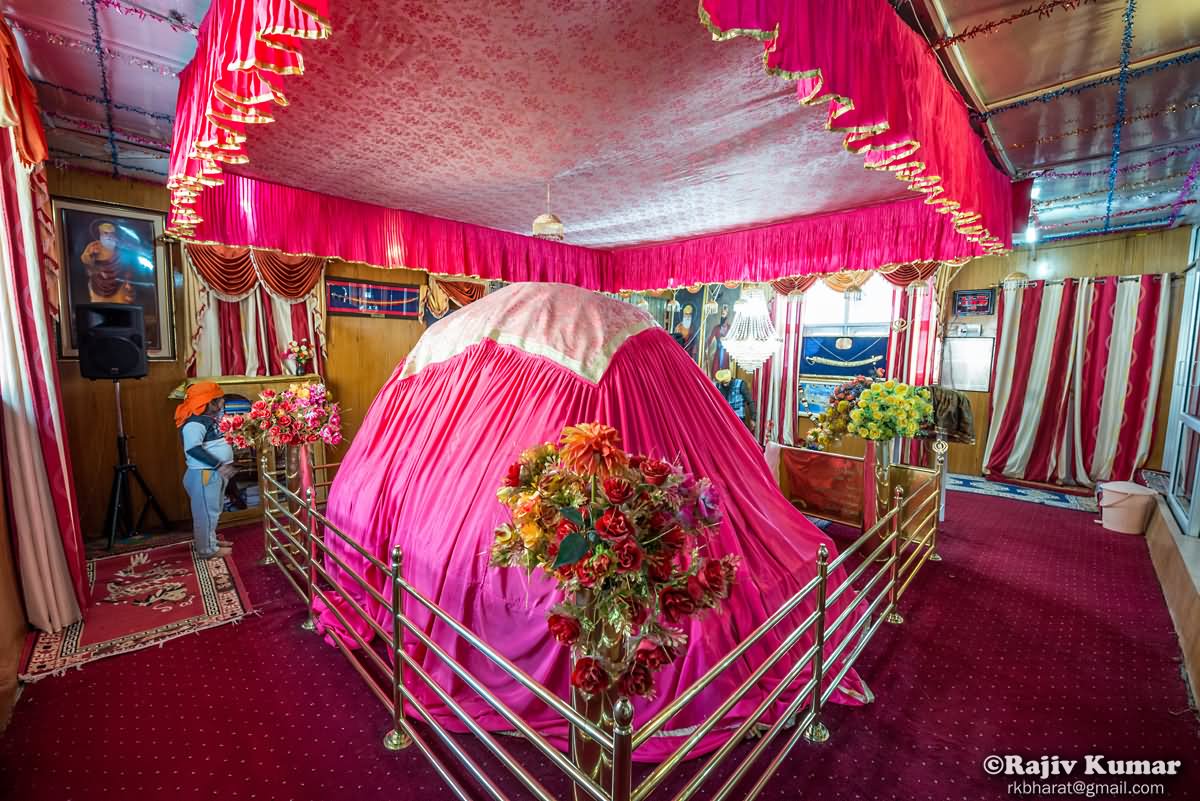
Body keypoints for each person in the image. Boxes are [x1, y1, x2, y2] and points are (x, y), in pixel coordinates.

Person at [175, 382, 235, 559]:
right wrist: (219, 465)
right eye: (219, 400)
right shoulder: (194, 423)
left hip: (213, 474)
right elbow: (193, 448)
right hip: (205, 474)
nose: (222, 402)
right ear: (207, 403)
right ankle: (206, 550)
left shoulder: (209, 419)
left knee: (213, 510)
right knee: (206, 513)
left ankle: (210, 541)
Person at [79, 220, 135, 304]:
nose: (109, 236)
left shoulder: (121, 247)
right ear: (100, 233)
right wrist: (92, 258)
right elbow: (85, 259)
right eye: (105, 233)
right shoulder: (94, 246)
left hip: (119, 285)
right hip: (98, 286)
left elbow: (129, 265)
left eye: (111, 233)